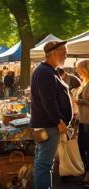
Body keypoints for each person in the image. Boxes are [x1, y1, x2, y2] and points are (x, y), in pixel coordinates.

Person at [30, 41, 73, 189]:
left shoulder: (49, 70)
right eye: (64, 53)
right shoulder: (44, 72)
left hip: (47, 125)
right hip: (49, 126)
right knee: (44, 164)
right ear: (54, 54)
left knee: (42, 163)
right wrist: (59, 122)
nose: (66, 56)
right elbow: (48, 101)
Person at [73, 60, 89, 185]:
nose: (77, 71)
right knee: (81, 146)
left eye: (78, 69)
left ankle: (87, 175)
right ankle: (85, 170)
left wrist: (80, 102)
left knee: (86, 147)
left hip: (88, 121)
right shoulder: (84, 82)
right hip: (82, 119)